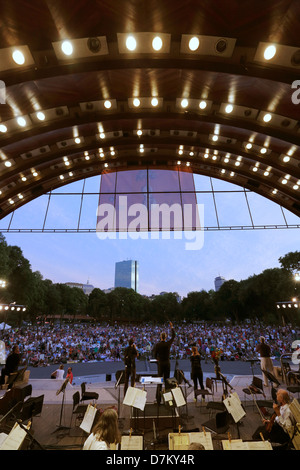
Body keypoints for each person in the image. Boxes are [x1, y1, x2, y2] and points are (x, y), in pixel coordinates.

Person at [153, 321, 175, 404]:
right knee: (167, 382)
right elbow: (174, 336)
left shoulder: (158, 345)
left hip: (161, 364)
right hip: (167, 363)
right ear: (166, 337)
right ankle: (168, 400)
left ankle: (158, 400)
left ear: (160, 337)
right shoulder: (168, 344)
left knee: (159, 381)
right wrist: (171, 327)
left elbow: (154, 354)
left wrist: (157, 360)